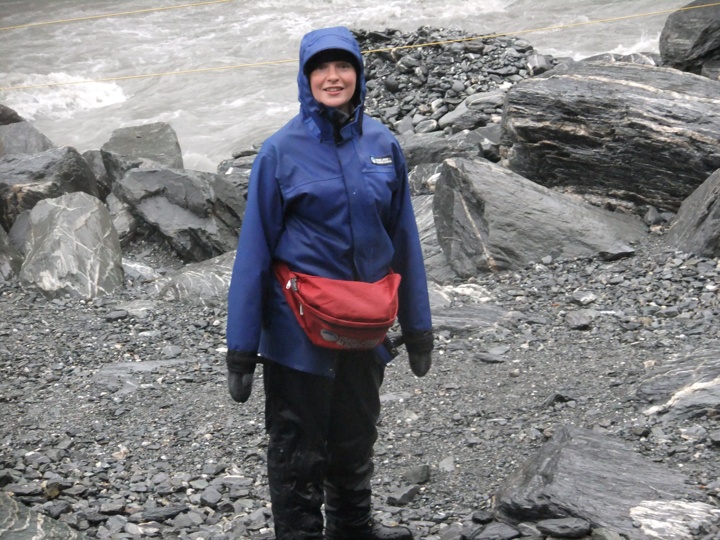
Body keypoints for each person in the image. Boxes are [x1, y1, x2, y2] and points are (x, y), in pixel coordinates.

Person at [225, 25, 434, 540]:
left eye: (343, 66)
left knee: (355, 437)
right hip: (298, 333)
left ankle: (352, 528)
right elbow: (253, 254)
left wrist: (419, 329)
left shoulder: (383, 144)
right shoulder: (279, 152)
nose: (333, 77)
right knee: (297, 449)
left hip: (365, 325)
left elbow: (405, 240)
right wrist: (241, 351)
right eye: (321, 67)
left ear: (359, 74)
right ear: (306, 77)